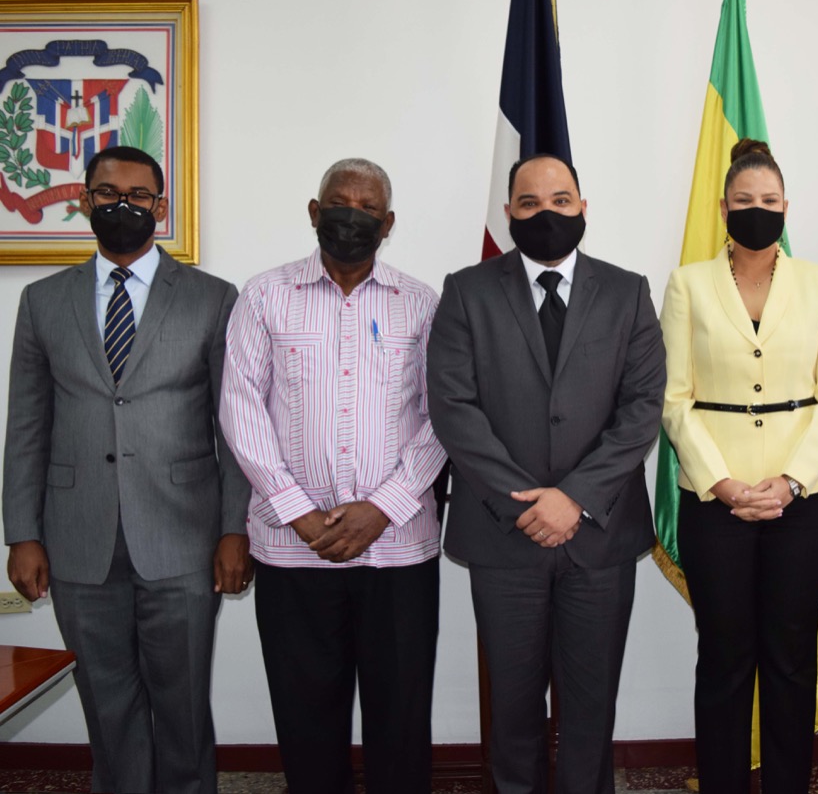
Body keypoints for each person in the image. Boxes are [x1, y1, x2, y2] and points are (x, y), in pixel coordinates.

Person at [2, 146, 251, 794]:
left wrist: (235, 530)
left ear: (160, 207)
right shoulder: (42, 301)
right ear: (84, 201)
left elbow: (236, 427)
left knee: (182, 705)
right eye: (107, 192)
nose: (123, 205)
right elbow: (27, 425)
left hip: (184, 539)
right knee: (107, 706)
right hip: (77, 539)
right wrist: (20, 532)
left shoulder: (213, 299)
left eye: (139, 195)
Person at [427, 153, 664, 794]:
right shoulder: (466, 291)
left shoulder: (627, 290)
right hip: (504, 536)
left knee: (591, 710)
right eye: (529, 204)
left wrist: (576, 499)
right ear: (508, 214)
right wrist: (526, 504)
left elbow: (642, 408)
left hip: (600, 535)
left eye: (561, 201)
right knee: (512, 708)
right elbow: (453, 409)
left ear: (584, 207)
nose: (546, 214)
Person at [219, 158, 446, 794]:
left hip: (398, 550)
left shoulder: (422, 304)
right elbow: (240, 407)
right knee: (305, 718)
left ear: (388, 223)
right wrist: (296, 510)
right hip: (293, 550)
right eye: (339, 204)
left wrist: (385, 507)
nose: (352, 217)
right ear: (315, 213)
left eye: (367, 209)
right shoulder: (264, 296)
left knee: (400, 721)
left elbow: (446, 416)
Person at [660, 139, 818, 793]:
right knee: (724, 660)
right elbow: (674, 398)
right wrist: (722, 483)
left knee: (791, 661)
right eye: (744, 201)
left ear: (785, 207)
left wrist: (791, 479)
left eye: (768, 201)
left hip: (805, 502)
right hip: (715, 502)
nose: (757, 210)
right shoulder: (688, 283)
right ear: (723, 208)